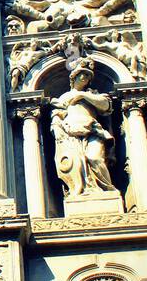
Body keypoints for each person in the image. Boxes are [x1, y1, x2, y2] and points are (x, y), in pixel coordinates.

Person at [50, 58, 116, 198]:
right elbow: (57, 114)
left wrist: (82, 95)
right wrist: (56, 127)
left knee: (94, 157)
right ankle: (80, 191)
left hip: (93, 130)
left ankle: (107, 191)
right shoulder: (65, 96)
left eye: (88, 75)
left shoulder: (94, 94)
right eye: (83, 74)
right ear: (74, 76)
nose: (86, 77)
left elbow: (105, 105)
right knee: (77, 163)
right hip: (71, 134)